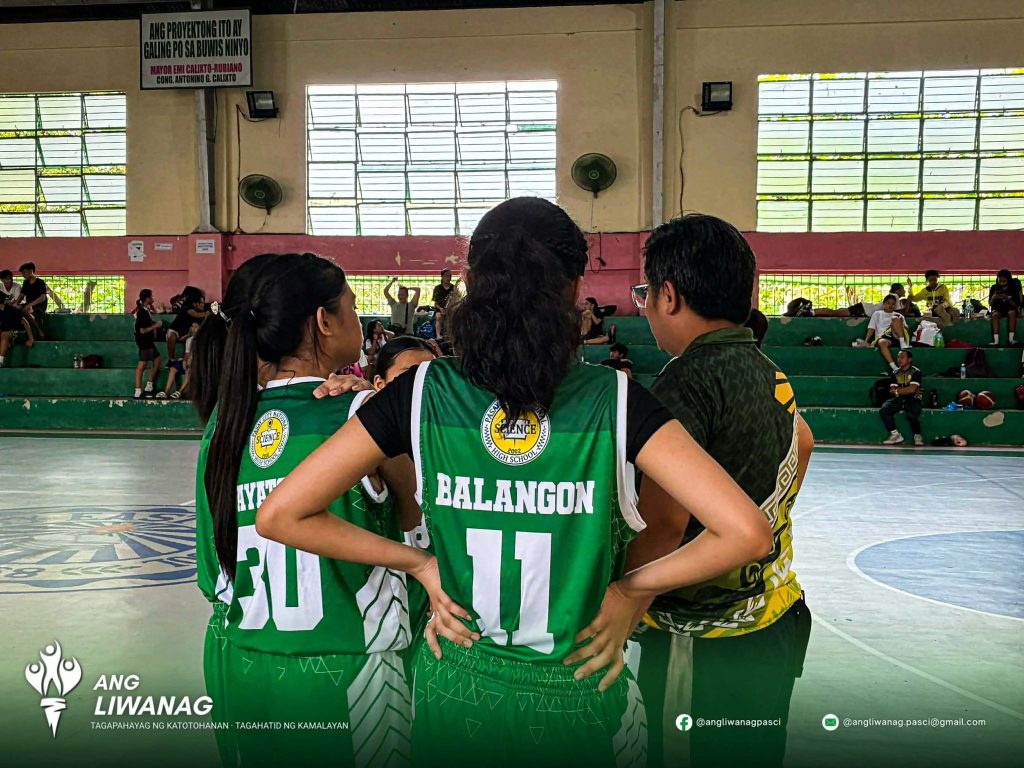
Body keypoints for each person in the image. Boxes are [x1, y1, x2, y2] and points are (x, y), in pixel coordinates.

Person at [257, 197, 773, 768]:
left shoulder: (420, 392)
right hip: (580, 689)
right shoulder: (617, 400)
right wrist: (630, 592)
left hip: (455, 687)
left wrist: (419, 564)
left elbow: (279, 515)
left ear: (472, 282)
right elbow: (747, 533)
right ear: (575, 290)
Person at [198, 253, 415, 767]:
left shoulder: (224, 425)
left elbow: (213, 568)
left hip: (244, 662)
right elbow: (425, 526)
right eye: (353, 306)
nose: (359, 318)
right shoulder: (361, 417)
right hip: (349, 671)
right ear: (323, 320)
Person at [629, 214, 814, 768]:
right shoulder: (765, 367)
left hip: (705, 639)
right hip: (772, 617)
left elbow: (664, 525)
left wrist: (621, 599)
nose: (644, 307)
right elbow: (804, 440)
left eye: (644, 294)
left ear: (668, 296)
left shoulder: (687, 380)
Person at [162, 287, 208, 400]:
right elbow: (187, 354)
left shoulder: (201, 340)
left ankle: (179, 392)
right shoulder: (188, 309)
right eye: (200, 303)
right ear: (195, 303)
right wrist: (184, 361)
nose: (202, 305)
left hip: (195, 363)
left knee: (189, 370)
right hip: (177, 332)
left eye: (196, 326)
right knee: (173, 368)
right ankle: (166, 392)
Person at [880, 349, 924, 446]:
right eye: (898, 357)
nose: (899, 359)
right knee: (884, 410)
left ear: (909, 359)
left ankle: (917, 435)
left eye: (902, 357)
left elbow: (912, 389)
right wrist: (901, 391)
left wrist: (898, 391)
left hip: (913, 398)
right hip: (898, 398)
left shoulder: (916, 372)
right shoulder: (895, 372)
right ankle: (895, 435)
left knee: (911, 415)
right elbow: (893, 390)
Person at [864, 294, 909, 372]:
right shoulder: (877, 314)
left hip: (897, 336)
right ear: (884, 304)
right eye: (888, 303)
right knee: (881, 342)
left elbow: (906, 329)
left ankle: (902, 344)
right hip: (884, 337)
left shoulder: (899, 315)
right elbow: (871, 328)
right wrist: (866, 341)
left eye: (893, 304)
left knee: (895, 318)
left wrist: (901, 324)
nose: (890, 305)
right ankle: (894, 367)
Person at [18, 262, 62, 339]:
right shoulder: (26, 283)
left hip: (39, 306)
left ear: (31, 271)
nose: (23, 275)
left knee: (26, 311)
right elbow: (21, 295)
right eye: (22, 273)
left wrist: (29, 305)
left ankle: (40, 331)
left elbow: (42, 298)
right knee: (17, 309)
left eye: (24, 272)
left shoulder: (40, 282)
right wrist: (15, 303)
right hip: (29, 304)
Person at [133, 289, 163, 399]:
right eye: (151, 297)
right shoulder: (142, 312)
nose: (153, 298)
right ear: (147, 299)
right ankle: (137, 391)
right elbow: (142, 330)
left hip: (149, 343)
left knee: (157, 359)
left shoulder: (146, 310)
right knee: (142, 365)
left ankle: (149, 386)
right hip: (144, 343)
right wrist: (156, 326)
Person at [988, 269, 1022, 347]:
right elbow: (990, 303)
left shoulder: (1014, 288)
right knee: (995, 315)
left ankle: (1011, 339)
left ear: (1008, 280)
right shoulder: (994, 288)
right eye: (1000, 281)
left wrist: (1007, 298)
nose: (1002, 283)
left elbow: (1017, 304)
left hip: (1010, 308)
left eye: (1004, 281)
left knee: (1012, 313)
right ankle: (996, 341)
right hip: (998, 308)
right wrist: (993, 297)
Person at [0, 300, 34, 368]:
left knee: (5, 334)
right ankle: (6, 342)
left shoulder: (11, 310)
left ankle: (0, 361)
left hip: (18, 332)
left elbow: (25, 323)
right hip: (6, 333)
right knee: (4, 334)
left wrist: (31, 339)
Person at [431, 268, 458, 339]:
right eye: (446, 276)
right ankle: (438, 336)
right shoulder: (437, 288)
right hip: (440, 310)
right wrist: (440, 309)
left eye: (450, 276)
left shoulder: (454, 288)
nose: (448, 278)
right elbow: (435, 304)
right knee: (439, 317)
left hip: (450, 310)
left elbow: (456, 301)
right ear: (442, 277)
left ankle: (452, 335)